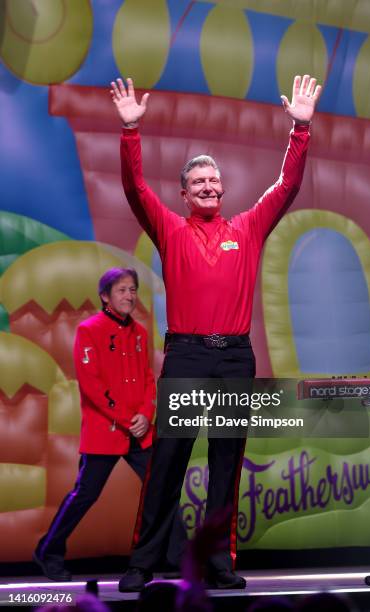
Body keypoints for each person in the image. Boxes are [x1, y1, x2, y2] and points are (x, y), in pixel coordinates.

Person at [111, 75, 322, 592]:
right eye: (198, 183)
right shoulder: (170, 229)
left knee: (227, 464)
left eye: (214, 181)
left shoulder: (247, 229)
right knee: (167, 464)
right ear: (183, 195)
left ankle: (219, 564)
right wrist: (131, 131)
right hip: (185, 359)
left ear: (223, 189)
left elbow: (287, 186)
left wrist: (300, 127)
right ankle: (143, 562)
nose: (208, 187)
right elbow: (135, 189)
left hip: (233, 361)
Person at [34, 268, 182, 581]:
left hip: (139, 431)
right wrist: (129, 418)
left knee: (162, 489)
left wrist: (146, 414)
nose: (129, 296)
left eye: (132, 290)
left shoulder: (140, 333)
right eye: (122, 290)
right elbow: (92, 385)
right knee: (85, 494)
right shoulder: (89, 330)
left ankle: (178, 558)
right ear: (105, 296)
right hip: (107, 430)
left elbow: (146, 379)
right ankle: (48, 551)